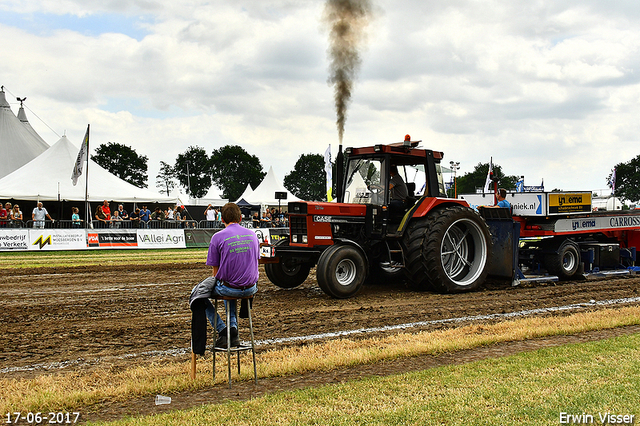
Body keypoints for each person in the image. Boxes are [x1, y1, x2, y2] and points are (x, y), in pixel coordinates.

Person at [189, 203, 259, 352]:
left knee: (198, 294)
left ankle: (222, 330)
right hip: (251, 288)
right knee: (230, 286)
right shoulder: (253, 235)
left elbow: (215, 273)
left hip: (230, 289)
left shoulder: (217, 237)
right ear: (240, 218)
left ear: (222, 220)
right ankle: (232, 329)